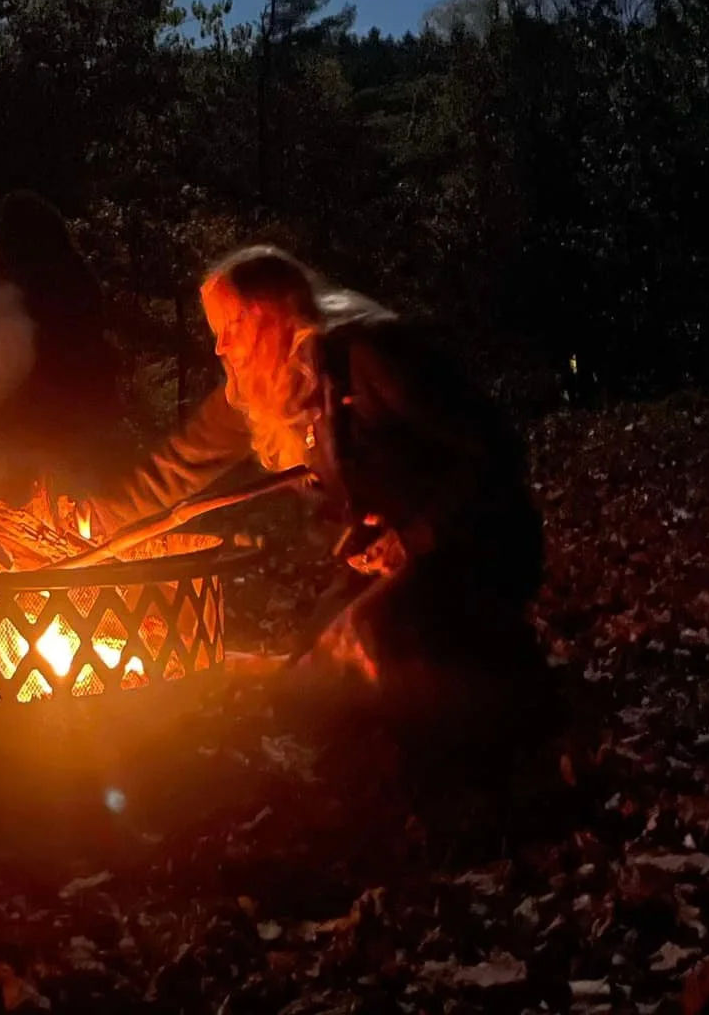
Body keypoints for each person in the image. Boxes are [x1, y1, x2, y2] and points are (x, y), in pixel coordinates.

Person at [89, 245, 553, 739]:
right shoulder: (260, 384)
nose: (220, 347)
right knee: (308, 671)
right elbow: (177, 466)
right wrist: (90, 521)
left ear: (269, 314)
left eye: (230, 326)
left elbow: (493, 450)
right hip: (391, 562)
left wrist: (415, 534)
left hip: (470, 548)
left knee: (358, 654)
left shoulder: (370, 356)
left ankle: (497, 696)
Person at [0, 192, 135, 512]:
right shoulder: (74, 275)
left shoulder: (17, 278)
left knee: (36, 488)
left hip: (44, 407)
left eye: (4, 229)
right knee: (61, 488)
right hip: (65, 410)